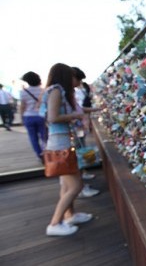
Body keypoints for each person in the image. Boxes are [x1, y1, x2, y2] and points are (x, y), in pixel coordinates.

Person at [40, 63, 92, 236]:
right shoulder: (56, 91)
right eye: (71, 75)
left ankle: (70, 215)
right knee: (76, 186)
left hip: (59, 142)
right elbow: (53, 117)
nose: (73, 79)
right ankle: (55, 223)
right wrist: (76, 115)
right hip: (60, 144)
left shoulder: (54, 91)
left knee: (66, 184)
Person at [72, 67, 100, 197]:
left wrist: (96, 109)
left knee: (79, 150)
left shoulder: (69, 92)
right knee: (77, 153)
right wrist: (76, 118)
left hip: (75, 128)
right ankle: (80, 188)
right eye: (79, 79)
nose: (80, 83)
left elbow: (79, 108)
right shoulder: (64, 93)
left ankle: (82, 178)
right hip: (72, 130)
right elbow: (77, 111)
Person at [20, 71, 47, 162]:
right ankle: (47, 153)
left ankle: (39, 155)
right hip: (41, 116)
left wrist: (22, 118)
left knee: (33, 137)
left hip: (28, 117)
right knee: (44, 136)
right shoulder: (43, 90)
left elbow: (22, 107)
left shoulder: (23, 92)